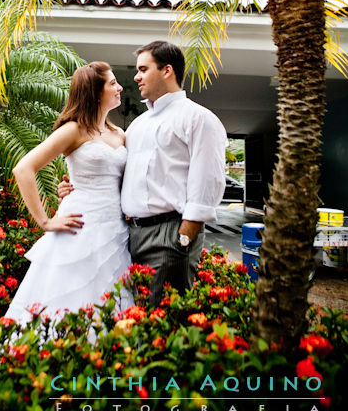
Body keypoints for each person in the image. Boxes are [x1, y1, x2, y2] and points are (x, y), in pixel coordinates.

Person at [59, 41, 227, 306]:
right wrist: (76, 188)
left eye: (143, 69)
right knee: (132, 314)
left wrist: (184, 235)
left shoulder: (198, 118)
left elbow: (209, 178)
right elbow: (116, 174)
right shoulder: (137, 126)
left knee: (161, 320)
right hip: (128, 235)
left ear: (167, 71)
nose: (136, 76)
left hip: (169, 234)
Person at [6, 61, 132, 326]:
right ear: (96, 92)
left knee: (111, 299)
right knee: (69, 297)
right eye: (112, 83)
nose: (120, 87)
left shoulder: (120, 134)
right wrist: (45, 221)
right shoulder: (73, 130)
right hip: (79, 227)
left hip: (115, 231)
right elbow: (24, 169)